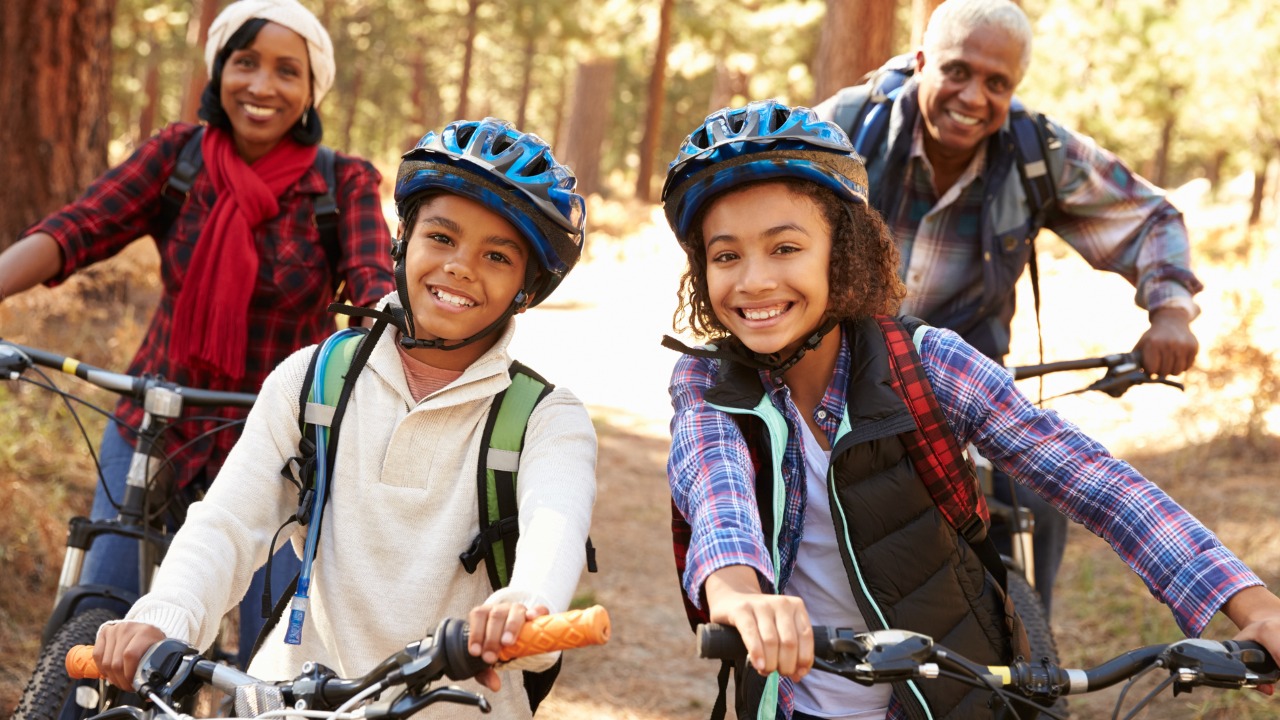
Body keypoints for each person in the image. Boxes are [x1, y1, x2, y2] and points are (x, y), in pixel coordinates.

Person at [661, 100, 1279, 720]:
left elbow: (1098, 483)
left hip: (950, 699)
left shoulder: (925, 362)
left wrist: (1251, 604)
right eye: (726, 256)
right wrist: (740, 594)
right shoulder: (708, 381)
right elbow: (719, 500)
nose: (755, 281)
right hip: (790, 706)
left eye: (785, 247)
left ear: (840, 252)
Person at [91, 117, 597, 719]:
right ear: (402, 240)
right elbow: (229, 522)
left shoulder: (545, 418)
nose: (461, 266)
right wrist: (165, 615)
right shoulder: (314, 378)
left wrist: (526, 605)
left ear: (526, 288)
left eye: (496, 255)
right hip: (290, 704)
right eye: (441, 237)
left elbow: (555, 525)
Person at [0, 0, 395, 667]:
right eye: (245, 63)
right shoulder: (176, 157)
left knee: (271, 653)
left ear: (310, 89)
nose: (262, 86)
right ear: (220, 71)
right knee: (104, 624)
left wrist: (392, 325)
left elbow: (372, 281)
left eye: (286, 71)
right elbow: (78, 229)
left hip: (280, 445)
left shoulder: (342, 184)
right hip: (157, 422)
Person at [812, 0, 1202, 615]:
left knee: (1034, 503)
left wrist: (1171, 311)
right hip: (837, 372)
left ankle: (1030, 676)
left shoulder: (1034, 151)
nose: (973, 96)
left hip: (967, 380)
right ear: (921, 62)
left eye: (997, 83)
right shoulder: (845, 130)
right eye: (958, 71)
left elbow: (1151, 217)